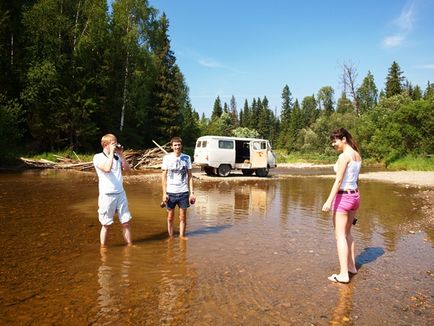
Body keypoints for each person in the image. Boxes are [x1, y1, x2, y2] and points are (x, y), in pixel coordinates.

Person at [322, 128, 362, 284]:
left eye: (335, 140)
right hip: (355, 197)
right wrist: (354, 199)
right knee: (347, 234)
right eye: (332, 141)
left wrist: (328, 201)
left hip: (343, 198)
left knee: (340, 236)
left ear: (344, 139)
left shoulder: (344, 156)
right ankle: (351, 267)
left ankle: (343, 274)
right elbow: (356, 180)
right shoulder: (357, 155)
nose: (333, 144)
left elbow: (338, 181)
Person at [93, 133, 132, 247]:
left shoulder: (117, 156)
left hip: (120, 193)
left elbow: (128, 170)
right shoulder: (98, 157)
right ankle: (103, 249)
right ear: (105, 144)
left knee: (126, 222)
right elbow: (107, 168)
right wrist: (111, 153)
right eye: (113, 143)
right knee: (106, 224)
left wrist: (121, 155)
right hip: (107, 195)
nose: (116, 145)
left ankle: (130, 246)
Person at [161, 136, 195, 239]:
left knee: (183, 217)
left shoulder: (187, 158)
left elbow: (190, 176)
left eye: (179, 145)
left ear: (181, 146)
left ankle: (181, 237)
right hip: (170, 193)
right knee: (170, 217)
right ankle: (170, 237)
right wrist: (164, 193)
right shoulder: (167, 158)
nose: (177, 147)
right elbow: (163, 177)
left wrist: (192, 193)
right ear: (171, 146)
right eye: (175, 145)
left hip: (183, 192)